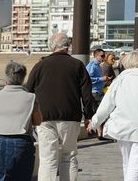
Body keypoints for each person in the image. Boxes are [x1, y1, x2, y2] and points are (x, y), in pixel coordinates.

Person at [88, 50, 138, 181]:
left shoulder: (118, 81)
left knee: (127, 161)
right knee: (135, 162)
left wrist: (94, 122)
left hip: (120, 125)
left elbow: (106, 105)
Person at [25, 32, 96, 181]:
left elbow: (28, 91)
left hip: (44, 117)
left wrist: (29, 115)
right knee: (69, 156)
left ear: (51, 47)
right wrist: (89, 115)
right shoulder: (77, 65)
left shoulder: (40, 65)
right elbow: (87, 94)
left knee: (47, 159)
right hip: (70, 116)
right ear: (68, 47)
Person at [0, 60, 41, 181]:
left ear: (6, 77)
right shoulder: (30, 97)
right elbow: (37, 121)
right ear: (23, 78)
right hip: (21, 142)